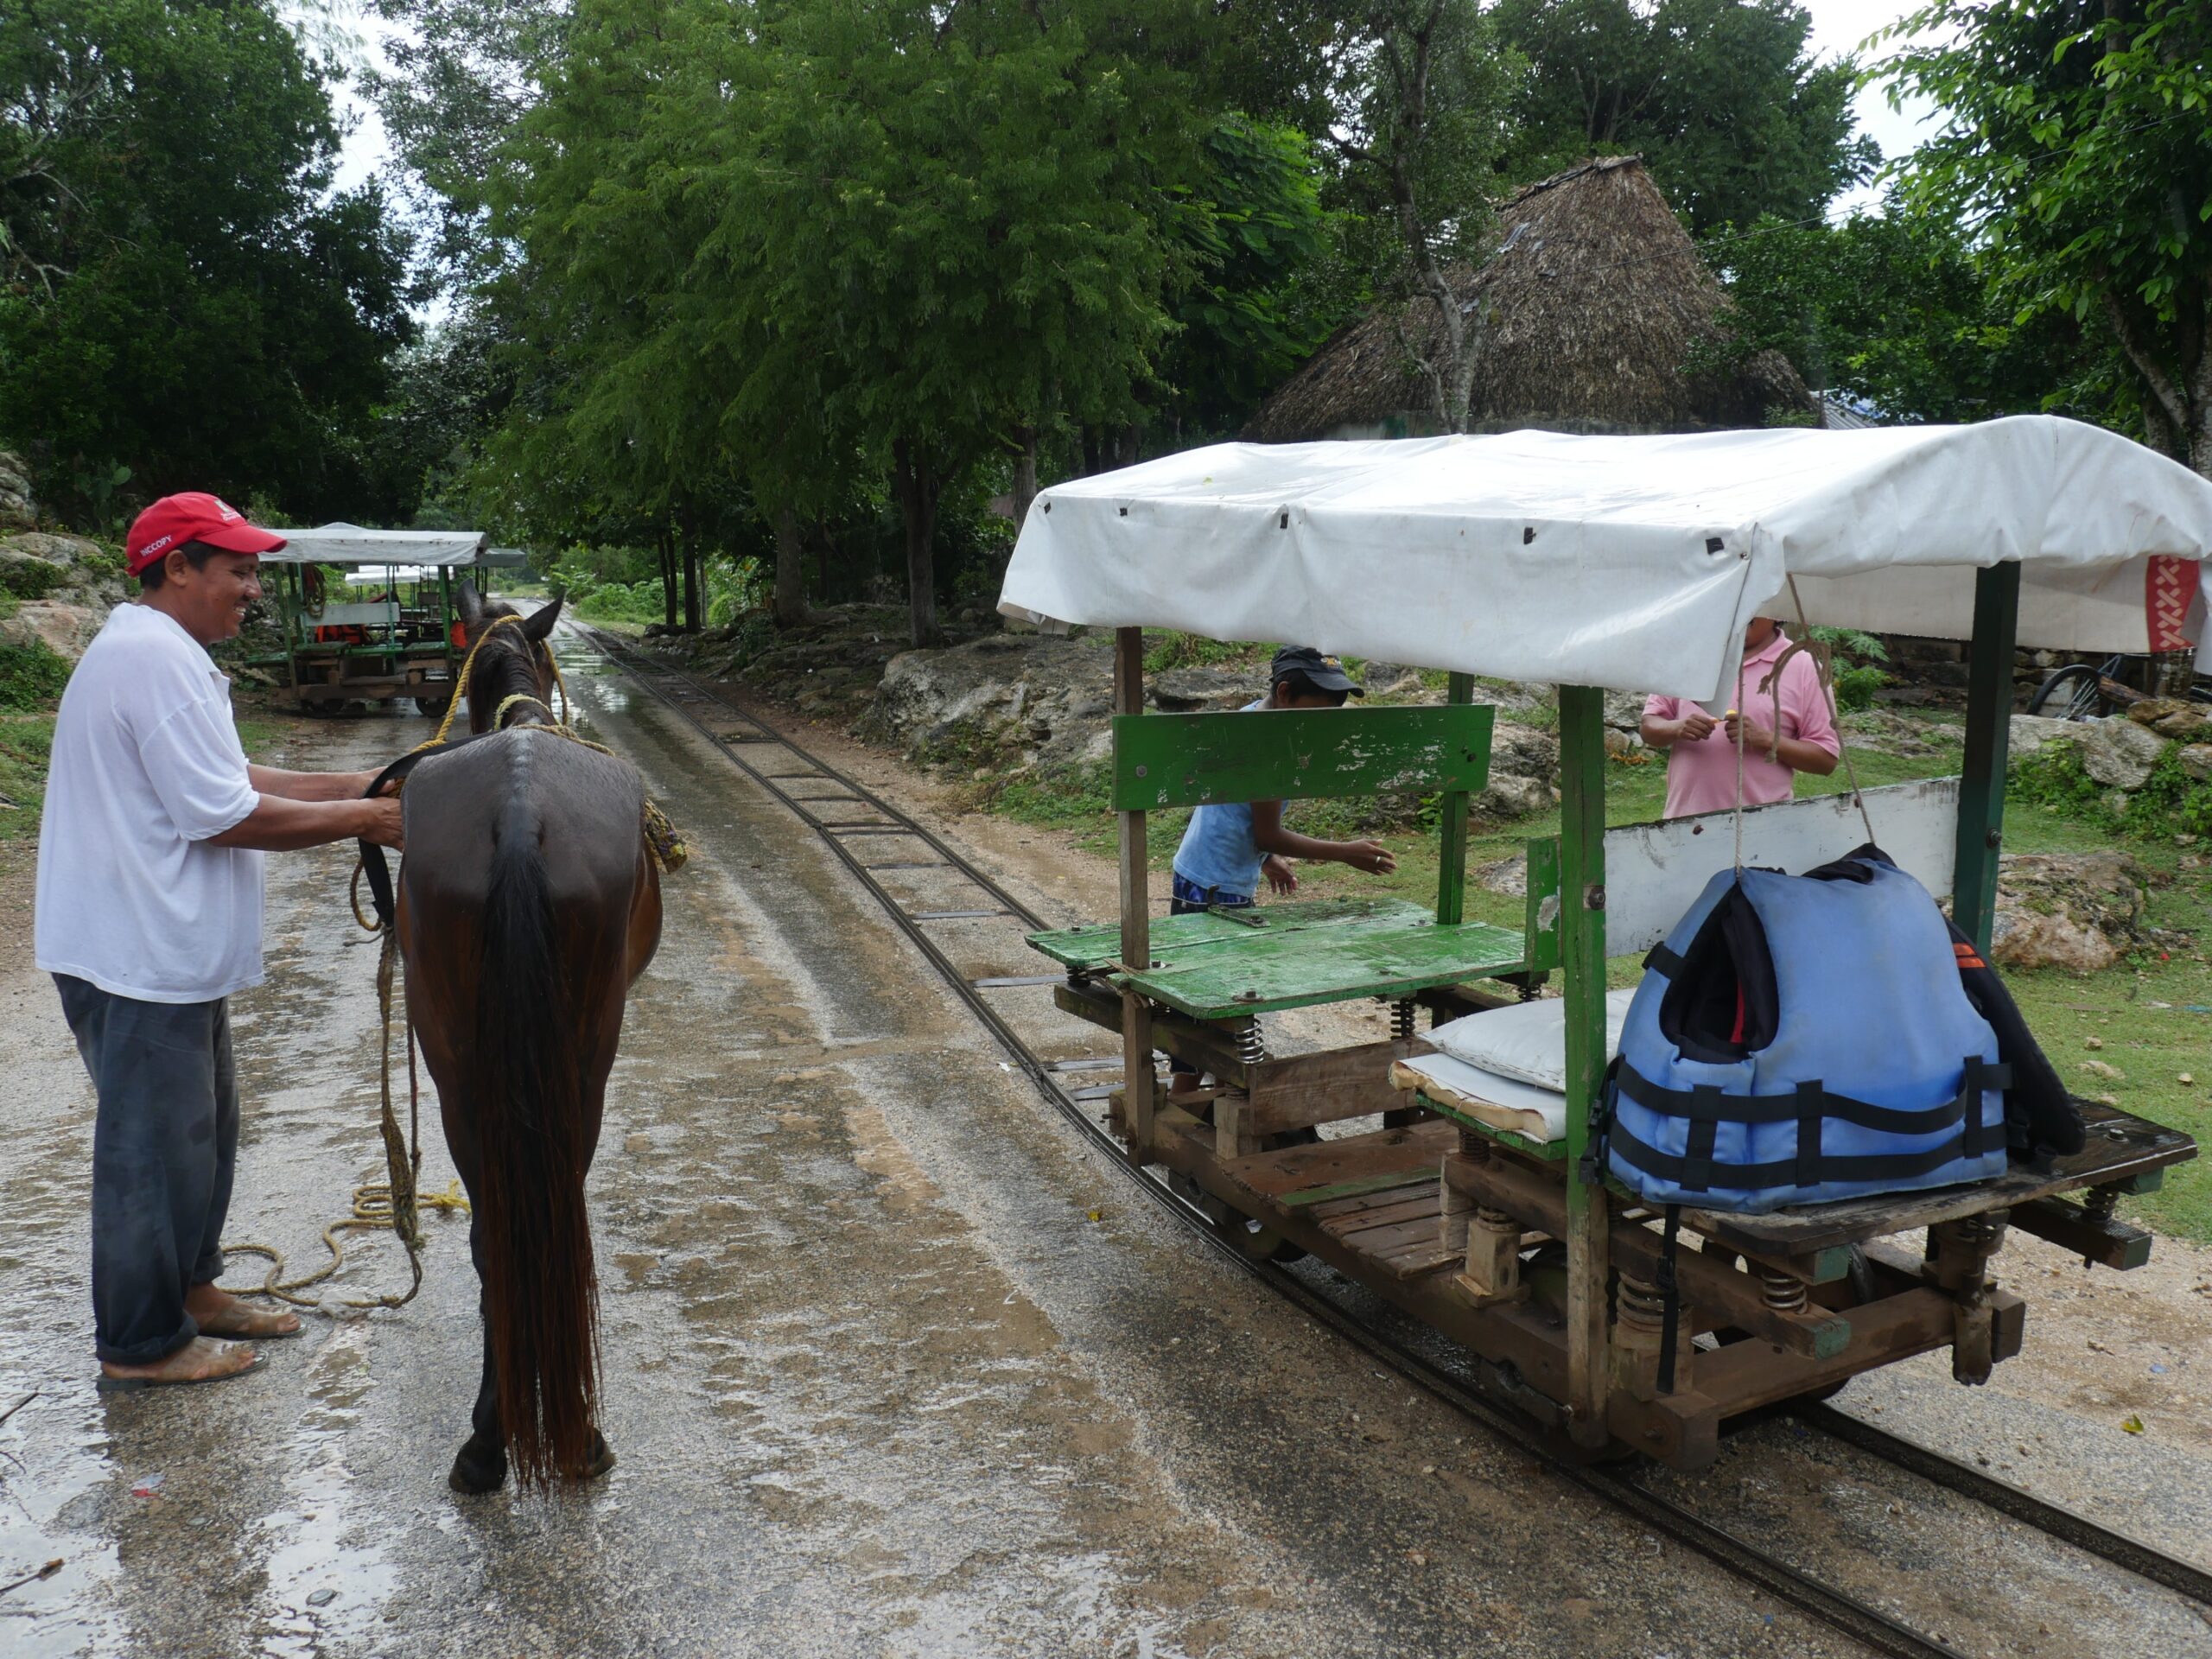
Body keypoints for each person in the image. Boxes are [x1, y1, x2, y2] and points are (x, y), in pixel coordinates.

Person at [35, 493, 406, 1393]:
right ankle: (140, 1342)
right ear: (177, 568)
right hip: (135, 954)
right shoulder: (148, 661)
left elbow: (233, 774)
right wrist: (374, 817)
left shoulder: (167, 656)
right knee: (152, 1153)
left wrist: (371, 777)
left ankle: (192, 1289)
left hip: (166, 953)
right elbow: (222, 814)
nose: (251, 589)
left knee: (202, 1138)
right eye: (236, 570)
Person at [1166, 646, 1398, 1096]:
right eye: (1321, 710)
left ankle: (1195, 1098)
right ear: (1287, 693)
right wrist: (1345, 851)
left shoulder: (1255, 716)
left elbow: (1236, 811)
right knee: (1217, 1005)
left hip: (1200, 873)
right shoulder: (1269, 744)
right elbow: (1267, 832)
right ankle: (1188, 1108)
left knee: (1210, 1001)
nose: (1327, 722)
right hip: (1216, 889)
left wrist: (1265, 858)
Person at [1639, 617, 1840, 820]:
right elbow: (1649, 727)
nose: (1743, 609)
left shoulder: (1805, 667)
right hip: (1683, 826)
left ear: (1777, 612)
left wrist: (1767, 740)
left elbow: (1825, 760)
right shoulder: (1692, 655)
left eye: (1755, 601)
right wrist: (1676, 728)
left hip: (1765, 829)